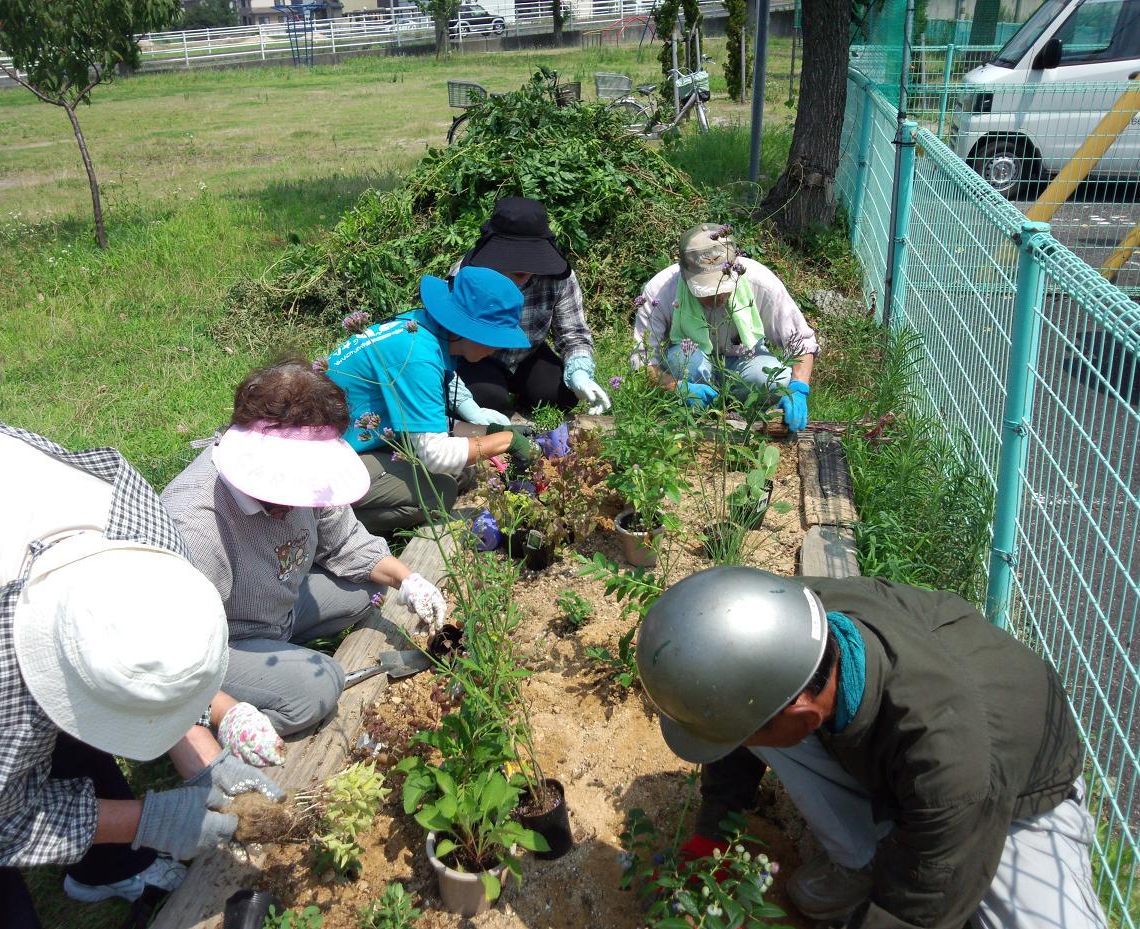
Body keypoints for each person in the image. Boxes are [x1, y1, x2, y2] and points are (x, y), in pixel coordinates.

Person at [0, 406, 284, 929]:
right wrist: (153, 820)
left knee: (76, 722)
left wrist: (204, 758)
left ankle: (106, 867)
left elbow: (138, 671)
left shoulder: (146, 533)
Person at [637, 565, 1108, 929]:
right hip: (923, 756)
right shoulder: (791, 621)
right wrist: (714, 829)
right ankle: (862, 862)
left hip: (1016, 798)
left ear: (804, 718)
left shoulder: (950, 769)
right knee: (754, 717)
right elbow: (730, 725)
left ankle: (882, 857)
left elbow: (919, 911)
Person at [162, 358, 449, 740]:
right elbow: (173, 656)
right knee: (318, 687)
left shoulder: (308, 477)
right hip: (223, 643)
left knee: (374, 591)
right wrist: (223, 713)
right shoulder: (196, 523)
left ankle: (278, 658)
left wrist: (408, 580)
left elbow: (347, 542)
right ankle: (237, 732)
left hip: (278, 607)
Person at [327, 266, 540, 536]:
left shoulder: (421, 327)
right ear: (470, 329)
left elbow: (430, 421)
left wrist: (491, 433)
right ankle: (326, 524)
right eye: (495, 338)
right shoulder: (418, 355)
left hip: (358, 441)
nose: (498, 348)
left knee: (463, 470)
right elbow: (435, 454)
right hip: (325, 461)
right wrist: (506, 441)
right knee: (441, 491)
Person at [631, 223, 819, 431]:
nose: (717, 296)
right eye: (705, 290)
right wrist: (676, 387)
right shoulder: (660, 291)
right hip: (692, 365)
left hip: (744, 362)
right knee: (686, 362)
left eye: (722, 287)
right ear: (684, 275)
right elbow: (643, 361)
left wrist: (799, 388)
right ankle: (689, 409)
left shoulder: (761, 282)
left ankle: (746, 411)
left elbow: (801, 340)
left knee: (779, 379)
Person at [445, 196, 612, 424]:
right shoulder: (470, 275)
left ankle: (521, 390)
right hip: (479, 357)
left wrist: (580, 374)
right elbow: (449, 336)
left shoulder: (558, 278)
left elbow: (574, 335)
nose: (522, 266)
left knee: (561, 395)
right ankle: (497, 392)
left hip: (528, 353)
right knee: (487, 398)